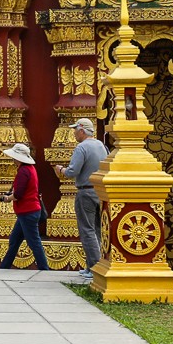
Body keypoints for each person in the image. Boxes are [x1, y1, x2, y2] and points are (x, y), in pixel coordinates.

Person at [59, 118, 108, 285]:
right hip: (100, 191)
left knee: (87, 230)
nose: (73, 133)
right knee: (98, 229)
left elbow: (72, 171)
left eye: (75, 130)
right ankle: (95, 266)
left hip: (85, 191)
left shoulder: (82, 147)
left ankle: (93, 267)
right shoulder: (101, 145)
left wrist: (61, 170)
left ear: (81, 130)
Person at [0, 142, 48, 270]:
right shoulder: (30, 169)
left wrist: (7, 198)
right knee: (14, 240)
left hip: (27, 212)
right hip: (27, 212)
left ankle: (44, 269)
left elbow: (18, 195)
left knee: (34, 242)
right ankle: (4, 267)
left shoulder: (23, 171)